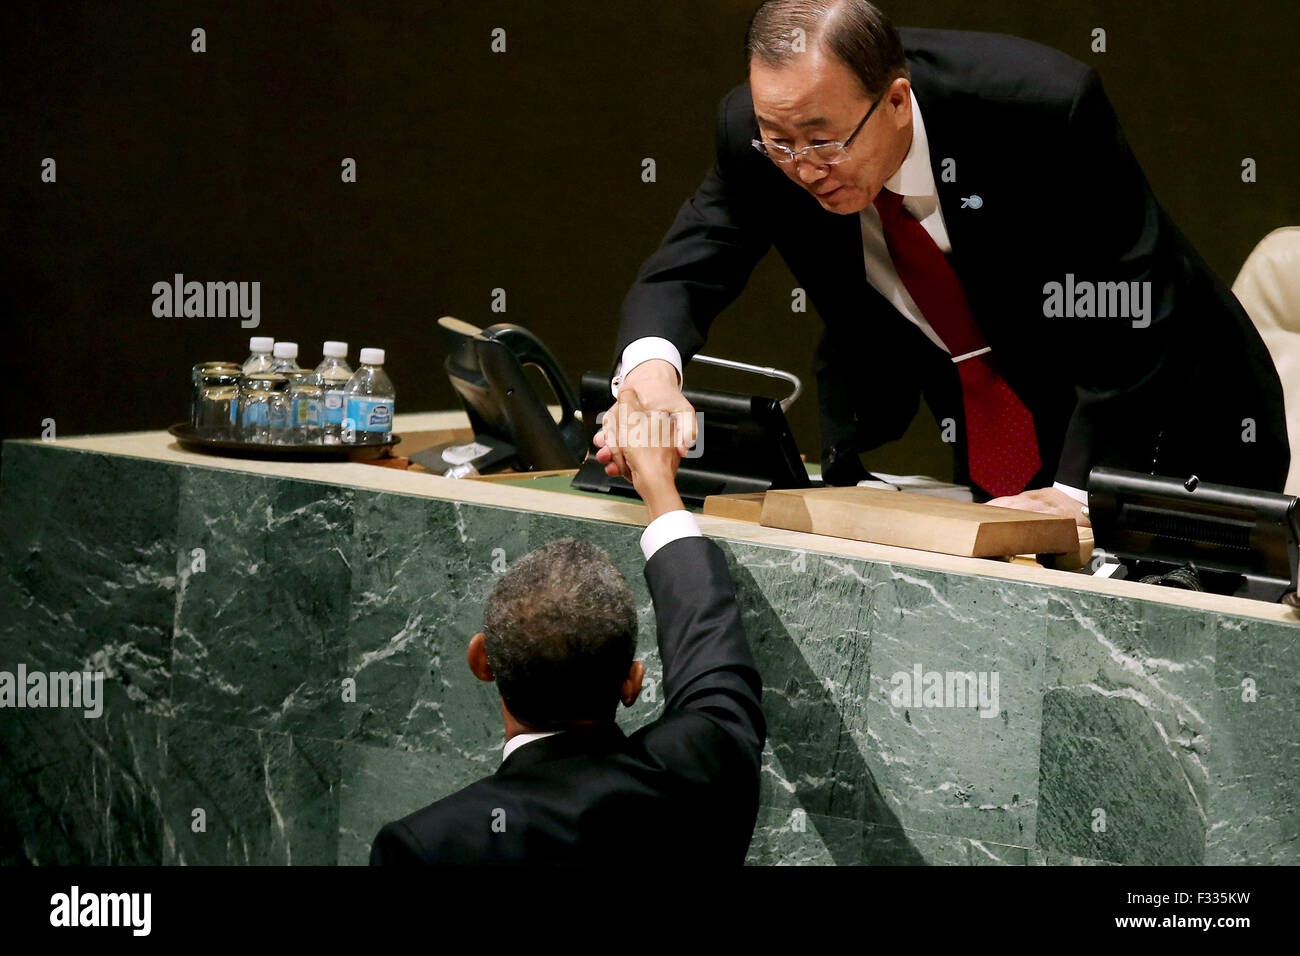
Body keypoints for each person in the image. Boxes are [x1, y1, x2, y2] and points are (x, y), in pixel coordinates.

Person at [596, 0, 1290, 524]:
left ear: (896, 100)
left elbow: (1130, 305)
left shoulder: (1041, 108)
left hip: (1179, 420)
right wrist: (653, 378)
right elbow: (685, 269)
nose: (802, 169)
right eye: (780, 143)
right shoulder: (760, 139)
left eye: (822, 141)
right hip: (1008, 427)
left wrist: (1080, 491)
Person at [370, 390, 765, 864]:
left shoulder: (432, 845)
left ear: (482, 660)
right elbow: (715, 669)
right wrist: (659, 484)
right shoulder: (703, 763)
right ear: (632, 682)